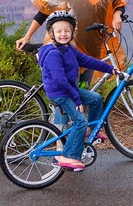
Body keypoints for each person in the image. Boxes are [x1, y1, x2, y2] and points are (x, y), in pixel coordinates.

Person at [15, 0, 126, 126]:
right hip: (65, 51)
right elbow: (44, 10)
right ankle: (61, 143)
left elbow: (119, 3)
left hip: (89, 50)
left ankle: (78, 138)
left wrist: (117, 16)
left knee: (82, 92)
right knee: (66, 97)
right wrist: (27, 36)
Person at [38, 10, 118, 171]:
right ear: (51, 34)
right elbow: (60, 81)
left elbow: (88, 61)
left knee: (95, 98)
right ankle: (67, 156)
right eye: (59, 31)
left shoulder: (69, 50)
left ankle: (89, 130)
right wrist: (76, 99)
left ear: (72, 32)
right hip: (60, 94)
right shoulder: (53, 53)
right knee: (79, 121)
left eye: (67, 30)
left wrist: (111, 69)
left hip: (68, 90)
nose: (63, 34)